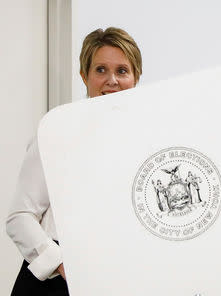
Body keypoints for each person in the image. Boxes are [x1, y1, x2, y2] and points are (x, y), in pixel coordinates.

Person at [6, 27, 142, 296]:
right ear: (84, 76)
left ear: (136, 78)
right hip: (55, 283)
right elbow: (19, 217)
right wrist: (59, 263)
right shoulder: (55, 132)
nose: (112, 80)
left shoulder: (148, 142)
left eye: (122, 71)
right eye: (100, 69)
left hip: (116, 280)